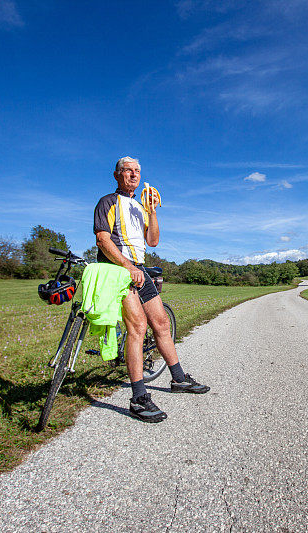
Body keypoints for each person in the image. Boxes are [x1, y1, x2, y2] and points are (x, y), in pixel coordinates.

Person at [93, 156, 209, 423]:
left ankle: (179, 379)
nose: (133, 175)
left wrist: (153, 210)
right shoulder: (108, 202)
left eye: (137, 171)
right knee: (138, 328)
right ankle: (138, 398)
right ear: (116, 175)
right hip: (117, 268)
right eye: (128, 171)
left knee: (162, 324)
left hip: (140, 268)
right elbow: (101, 239)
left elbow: (153, 241)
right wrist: (126, 265)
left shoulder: (140, 207)